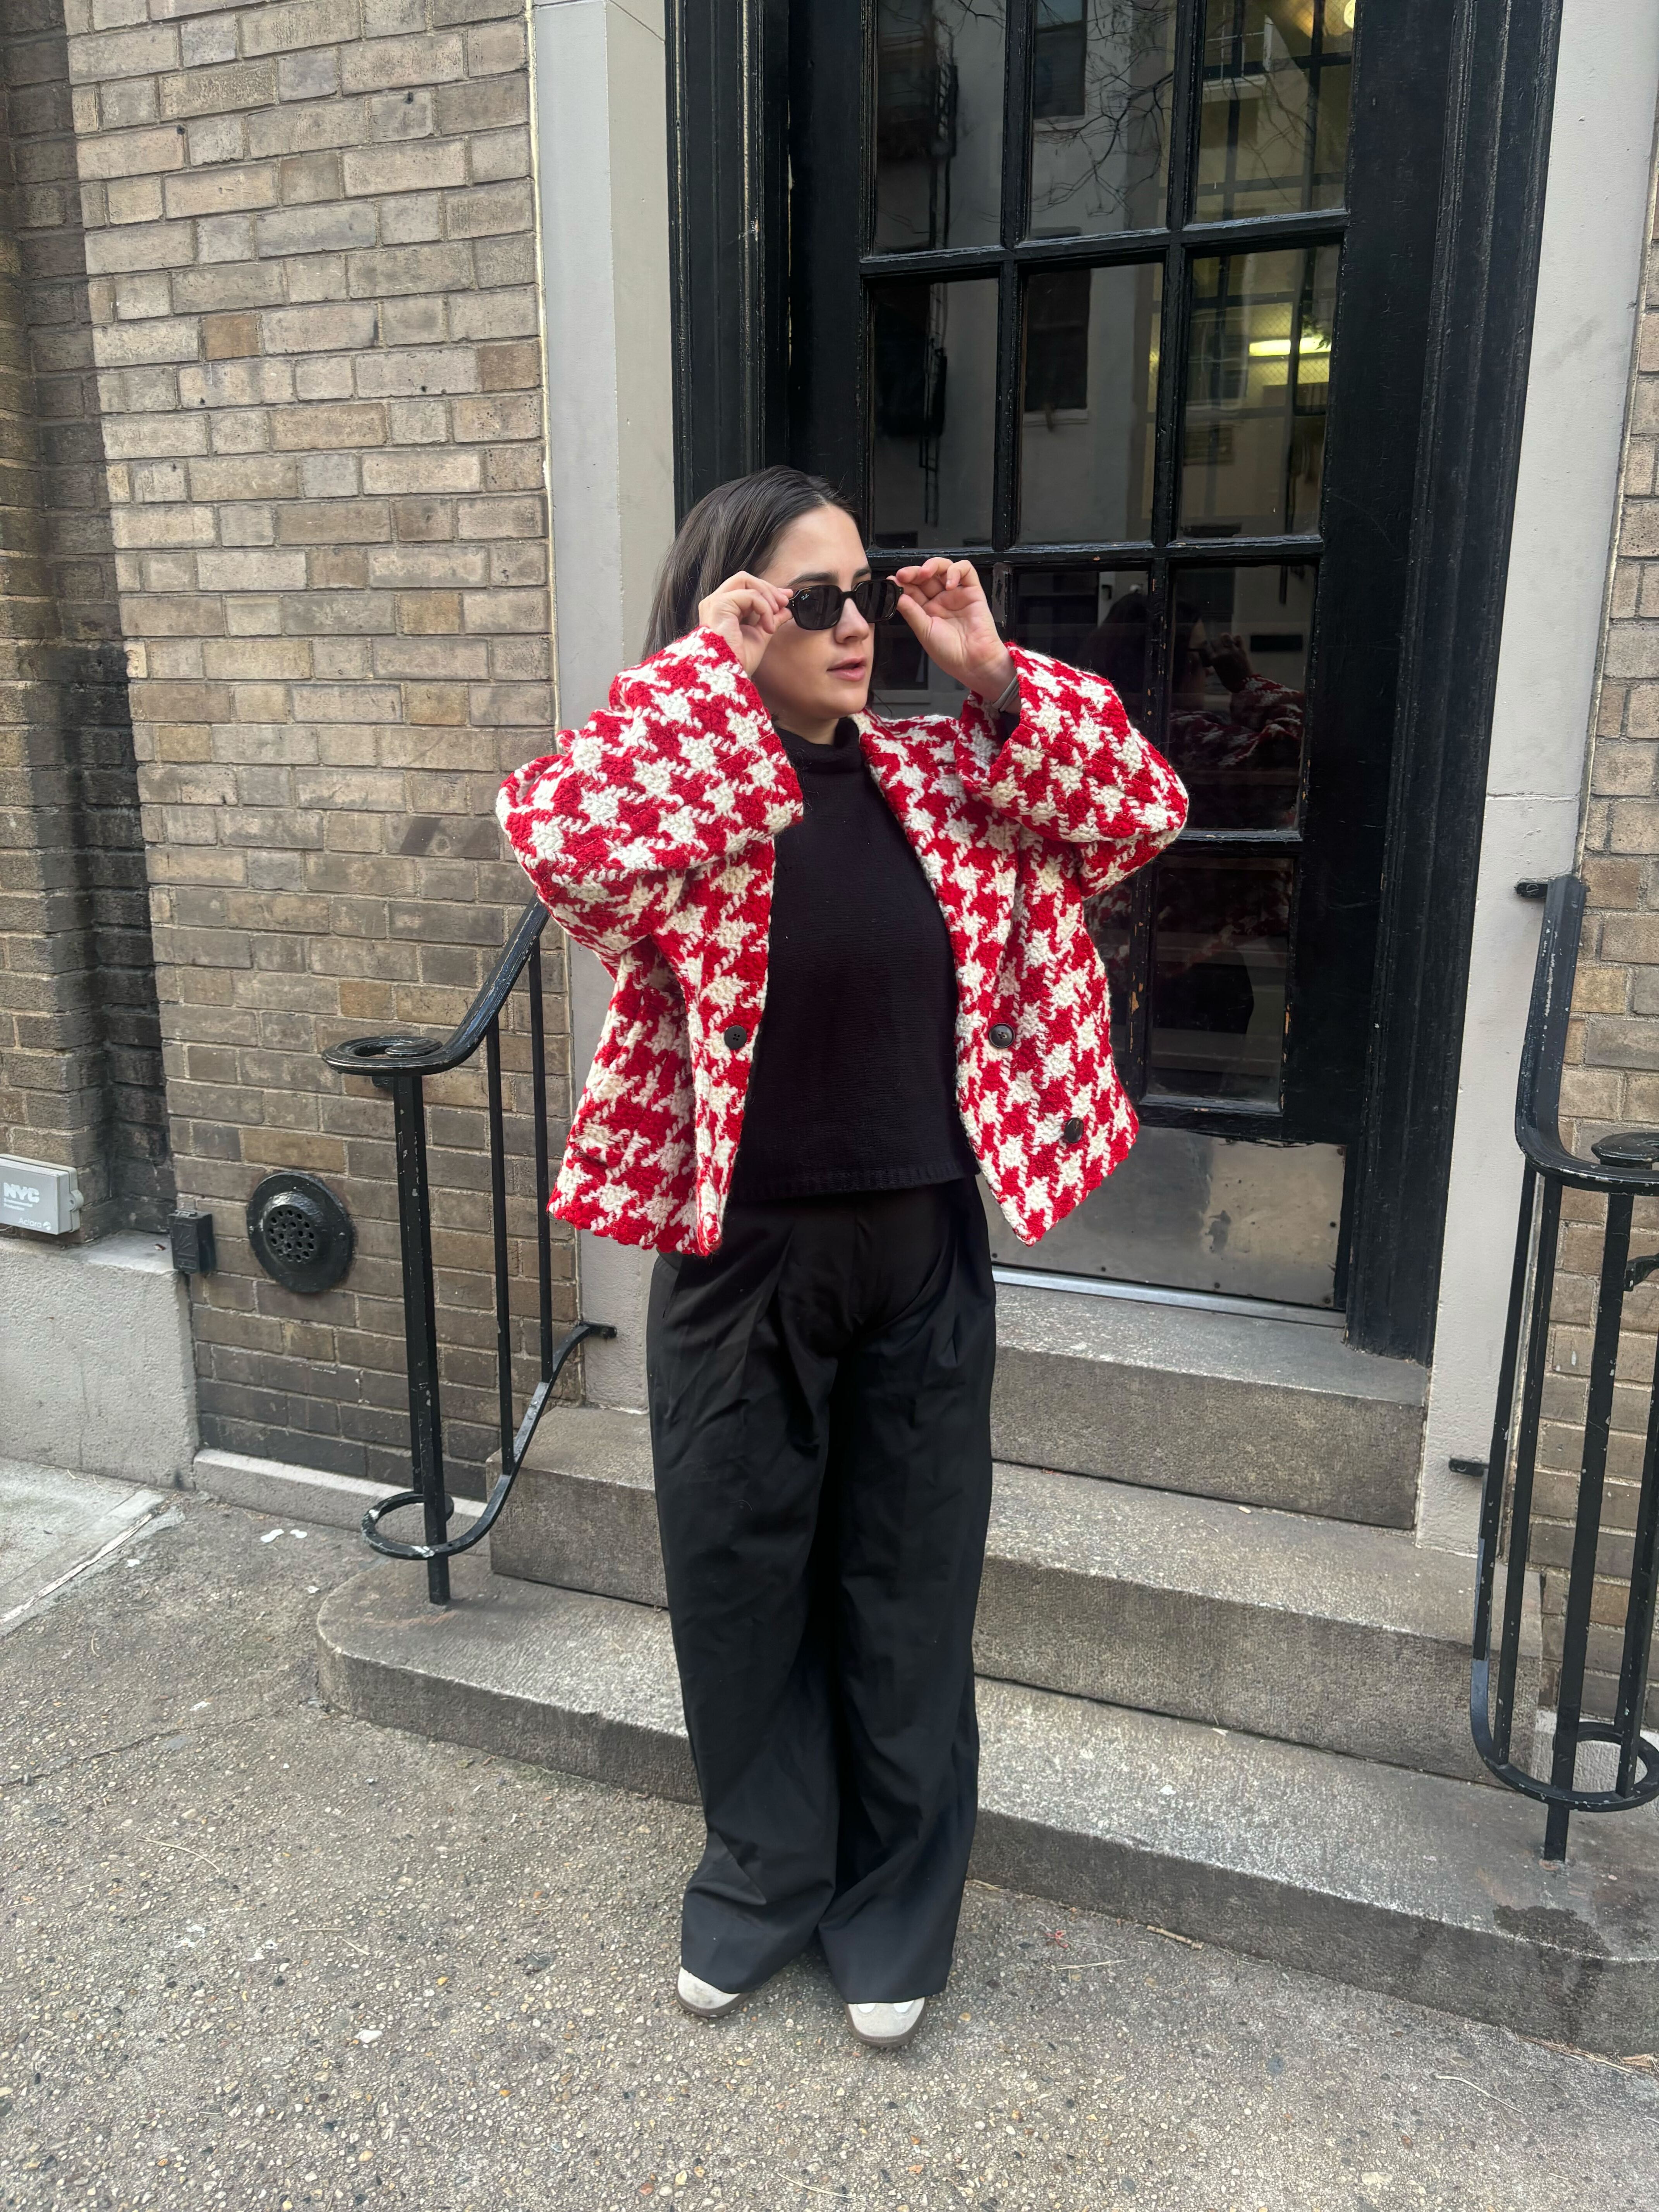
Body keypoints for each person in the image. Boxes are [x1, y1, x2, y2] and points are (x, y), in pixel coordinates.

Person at [497, 467, 1186, 2051]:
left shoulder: (944, 778)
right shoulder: (698, 797)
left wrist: (993, 672)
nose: (854, 625)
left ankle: (895, 1905)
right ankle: (762, 1881)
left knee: (909, 1586)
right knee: (739, 1586)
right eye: (811, 601)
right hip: (743, 1257)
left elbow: (1139, 812)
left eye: (862, 591)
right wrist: (701, 678)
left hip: (923, 1245)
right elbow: (562, 847)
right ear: (740, 618)